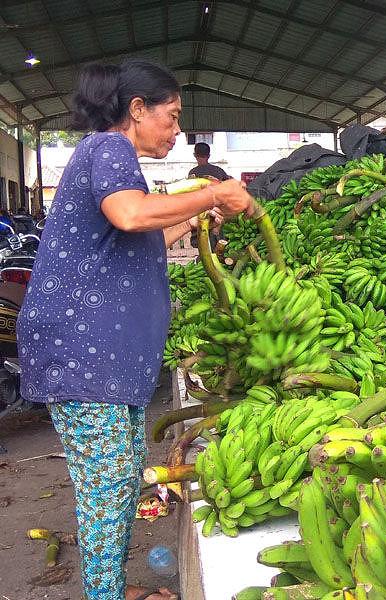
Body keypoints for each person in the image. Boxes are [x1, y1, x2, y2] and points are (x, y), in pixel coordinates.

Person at [16, 59, 254, 600]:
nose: (176, 131)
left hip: (106, 362)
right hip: (82, 357)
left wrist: (191, 220)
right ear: (137, 110)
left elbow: (138, 240)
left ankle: (112, 588)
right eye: (170, 118)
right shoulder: (107, 148)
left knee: (121, 484)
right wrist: (214, 194)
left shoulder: (115, 159)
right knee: (107, 489)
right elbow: (129, 215)